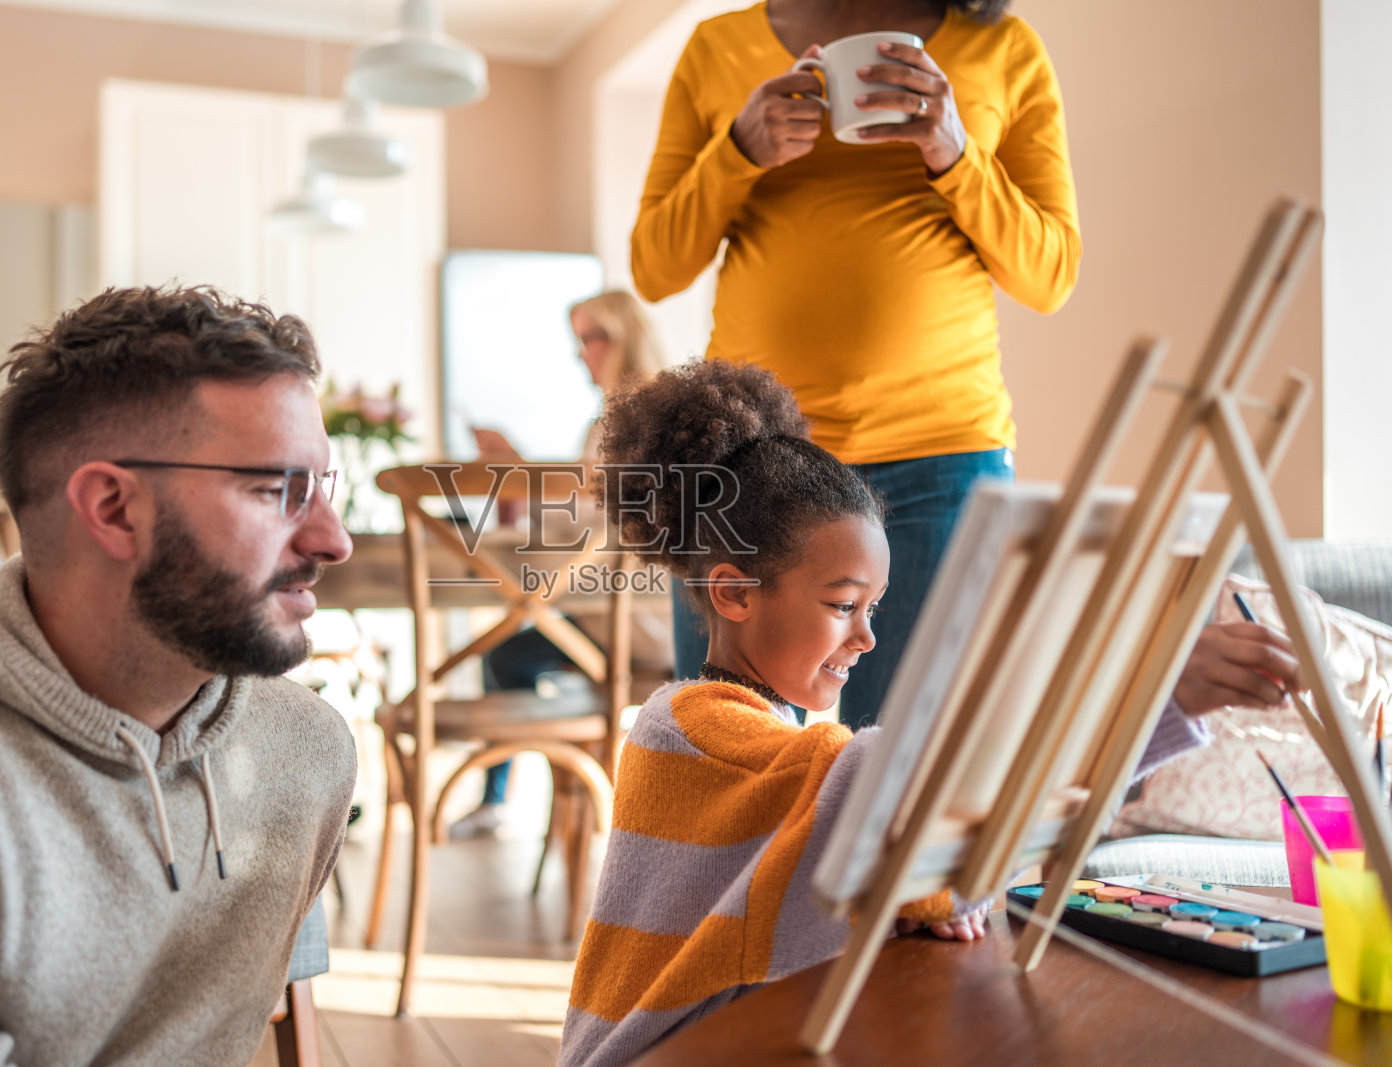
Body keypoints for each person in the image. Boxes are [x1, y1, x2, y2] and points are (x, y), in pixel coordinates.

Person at [558, 361, 1299, 1067]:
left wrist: (910, 893)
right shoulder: (691, 731)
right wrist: (1145, 691)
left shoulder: (764, 737)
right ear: (735, 592)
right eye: (843, 604)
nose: (867, 635)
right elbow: (882, 786)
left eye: (871, 607)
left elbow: (792, 890)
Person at [0, 286, 358, 1065]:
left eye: (325, 487)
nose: (334, 540)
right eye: (279, 489)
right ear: (114, 508)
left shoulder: (305, 746)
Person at [632, 0, 1081, 730]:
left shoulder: (1001, 48)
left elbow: (1050, 273)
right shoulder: (717, 47)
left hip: (941, 454)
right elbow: (653, 266)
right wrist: (737, 151)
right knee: (725, 751)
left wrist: (955, 151)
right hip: (753, 462)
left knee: (905, 772)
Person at [451, 290, 667, 838]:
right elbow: (588, 519)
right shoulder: (653, 415)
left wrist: (514, 470)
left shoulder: (622, 424)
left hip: (635, 626)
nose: (582, 355)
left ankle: (522, 789)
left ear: (621, 339)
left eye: (589, 339)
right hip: (655, 619)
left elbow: (585, 525)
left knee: (503, 657)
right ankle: (560, 777)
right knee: (516, 649)